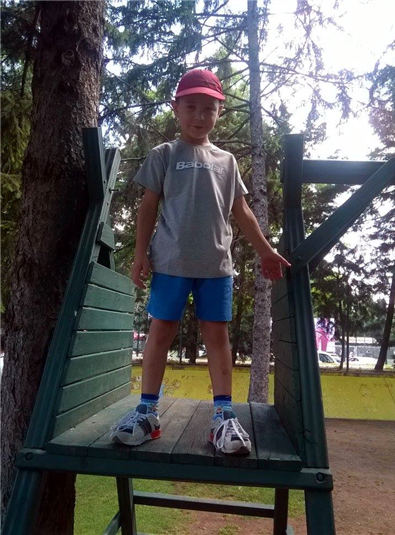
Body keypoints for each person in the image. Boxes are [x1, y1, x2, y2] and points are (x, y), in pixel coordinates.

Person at [110, 69, 290, 455]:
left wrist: (265, 249)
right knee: (160, 333)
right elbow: (147, 207)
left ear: (219, 112)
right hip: (170, 263)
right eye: (191, 106)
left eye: (209, 108)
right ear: (176, 108)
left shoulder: (227, 161)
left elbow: (242, 211)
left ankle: (223, 417)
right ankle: (147, 413)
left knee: (217, 337)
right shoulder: (164, 154)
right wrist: (140, 254)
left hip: (216, 267)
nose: (199, 116)